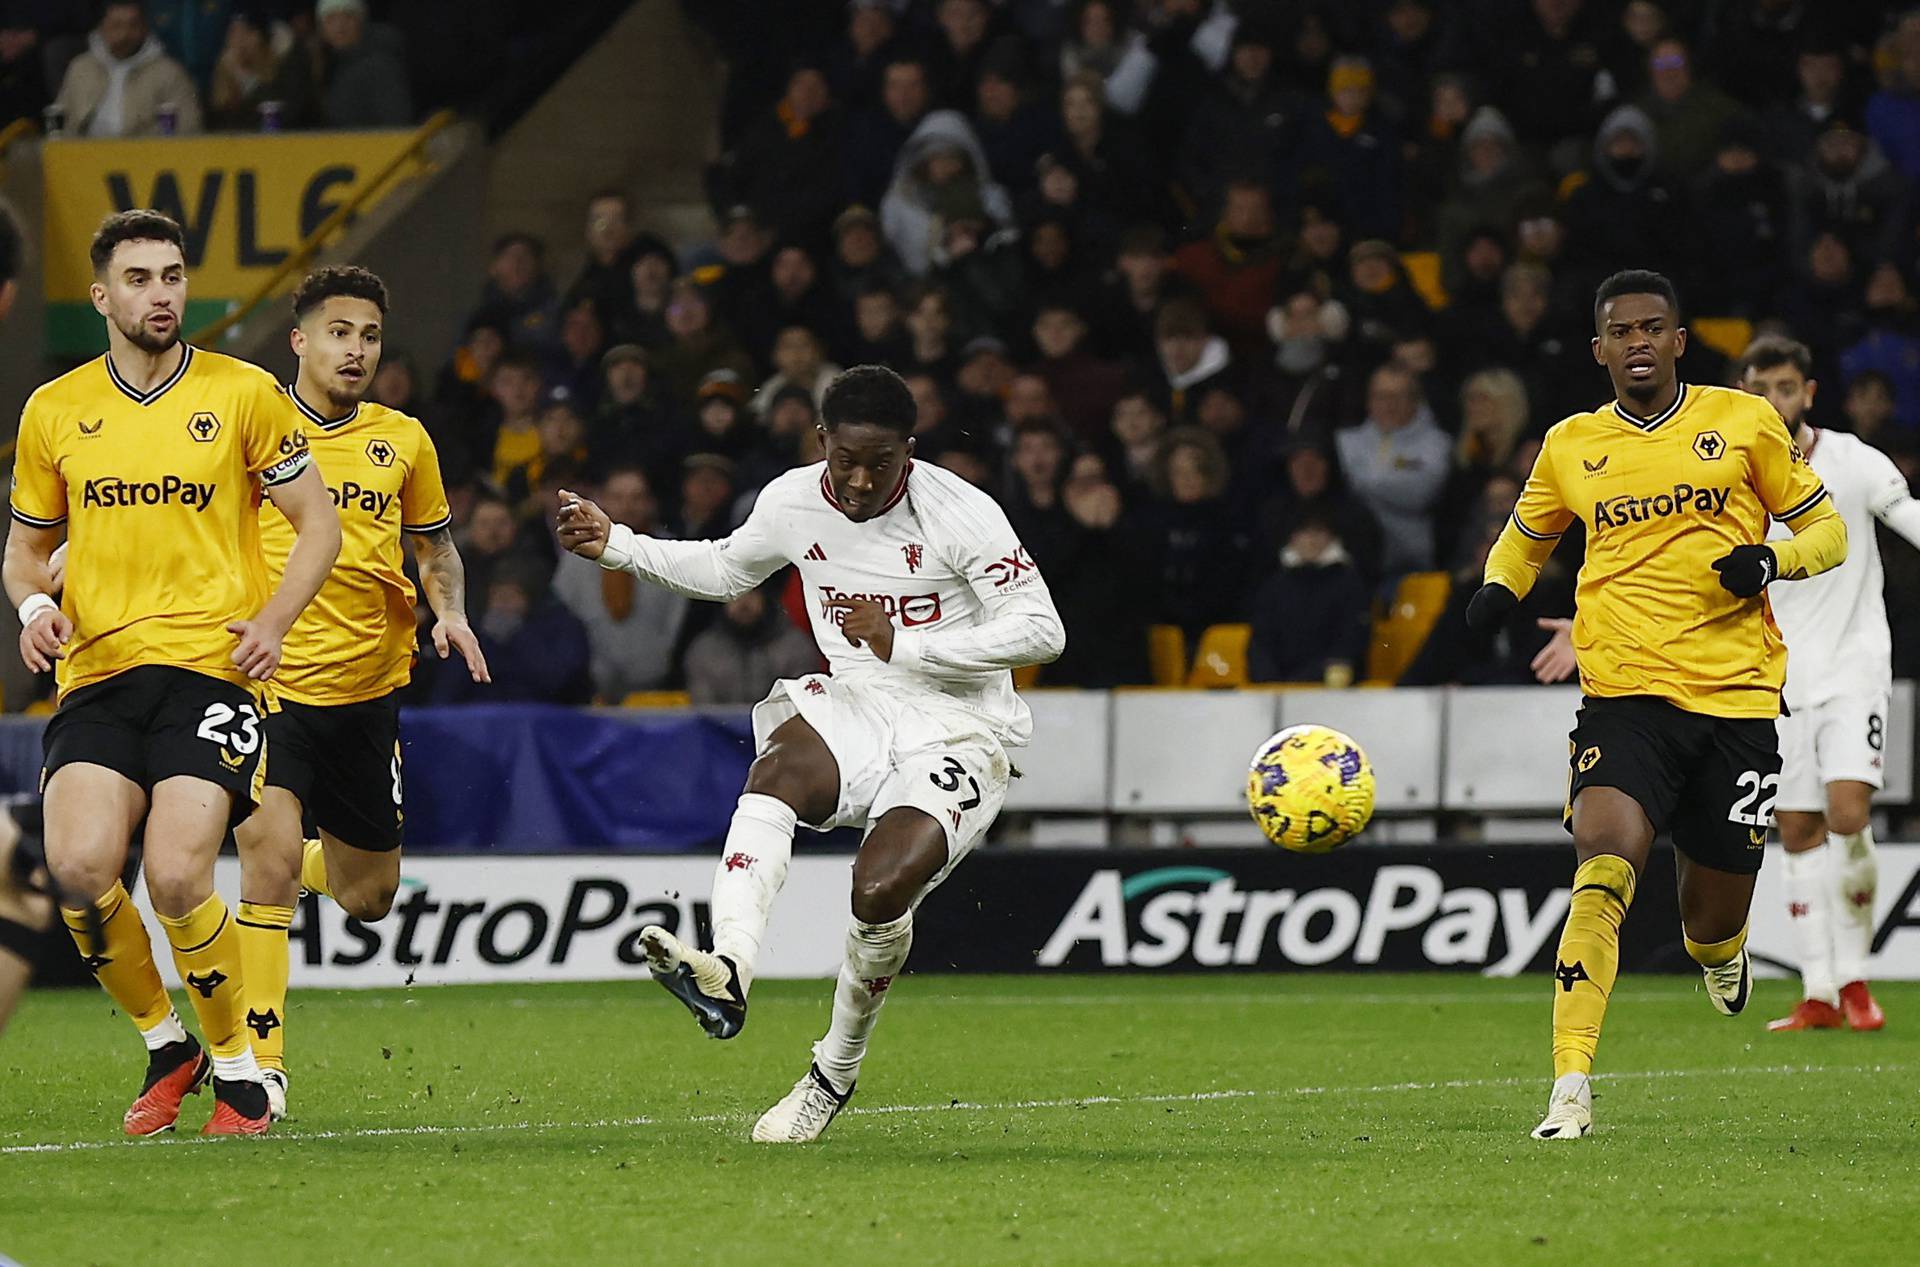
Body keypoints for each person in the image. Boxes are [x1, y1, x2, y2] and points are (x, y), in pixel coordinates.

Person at [555, 365, 1064, 1143]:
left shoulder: (961, 511)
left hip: (960, 726)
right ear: (821, 440)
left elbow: (1042, 630)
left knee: (880, 887)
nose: (860, 481)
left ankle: (834, 1070)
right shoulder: (792, 500)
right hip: (858, 701)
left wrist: (909, 643)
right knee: (779, 770)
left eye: (882, 463)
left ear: (910, 450)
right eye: (846, 459)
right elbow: (728, 569)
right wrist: (619, 545)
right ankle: (728, 966)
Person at [1467, 270, 1847, 1141]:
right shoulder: (1569, 443)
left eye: (1653, 327)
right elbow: (1524, 544)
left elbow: (1829, 532)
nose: (1637, 341)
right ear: (1598, 348)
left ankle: (1721, 953)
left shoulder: (1743, 422)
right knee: (1605, 858)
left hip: (1736, 699)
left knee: (1708, 922)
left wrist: (1770, 562)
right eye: (1620, 331)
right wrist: (1495, 590)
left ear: (1680, 340)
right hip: (1623, 695)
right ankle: (1570, 1086)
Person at [2, 209, 342, 1135]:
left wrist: (275, 620)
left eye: (174, 275)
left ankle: (241, 1072)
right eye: (142, 279)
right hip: (97, 673)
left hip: (212, 671)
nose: (163, 293)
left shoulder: (243, 394)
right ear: (102, 296)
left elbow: (319, 525)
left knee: (178, 875)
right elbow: (24, 551)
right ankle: (168, 1045)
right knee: (75, 868)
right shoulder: (55, 410)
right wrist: (36, 610)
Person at [229, 266, 488, 1121]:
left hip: (369, 689)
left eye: (369, 336)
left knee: (368, 896)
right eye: (338, 332)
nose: (356, 349)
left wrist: (449, 612)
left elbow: (437, 549)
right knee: (264, 861)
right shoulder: (250, 427)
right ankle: (262, 1070)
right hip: (264, 677)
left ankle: (321, 863)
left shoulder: (402, 438)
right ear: (298, 340)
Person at [1738, 337, 1913, 1032]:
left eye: (1785, 388)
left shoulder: (1852, 461)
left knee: (1847, 816)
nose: (1773, 401)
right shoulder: (1736, 476)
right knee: (1799, 828)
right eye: (1760, 388)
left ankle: (1857, 977)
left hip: (1853, 666)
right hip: (1777, 675)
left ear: (1808, 392)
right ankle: (1818, 990)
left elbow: (1909, 516)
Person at [551, 466, 687, 701]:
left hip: (655, 689)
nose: (628, 505)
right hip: (589, 690)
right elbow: (563, 616)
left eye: (636, 497)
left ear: (650, 502)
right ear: (602, 501)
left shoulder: (671, 553)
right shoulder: (575, 554)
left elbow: (676, 622)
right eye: (617, 497)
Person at [53, 0, 203, 137]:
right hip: (83, 156)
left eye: (133, 25)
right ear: (101, 28)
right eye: (116, 26)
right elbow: (60, 120)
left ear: (145, 28)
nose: (125, 34)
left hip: (145, 158)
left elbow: (188, 126)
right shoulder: (80, 68)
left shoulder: (169, 72)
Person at [683, 584, 822, 706]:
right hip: (720, 734)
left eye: (752, 591)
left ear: (765, 596)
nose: (744, 602)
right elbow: (706, 715)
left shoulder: (795, 647)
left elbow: (799, 708)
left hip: (781, 733)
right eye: (734, 594)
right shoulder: (703, 651)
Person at [315, 0, 411, 129]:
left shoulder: (380, 66)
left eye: (348, 17)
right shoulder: (328, 66)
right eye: (331, 20)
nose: (339, 27)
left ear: (361, 22)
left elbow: (396, 123)